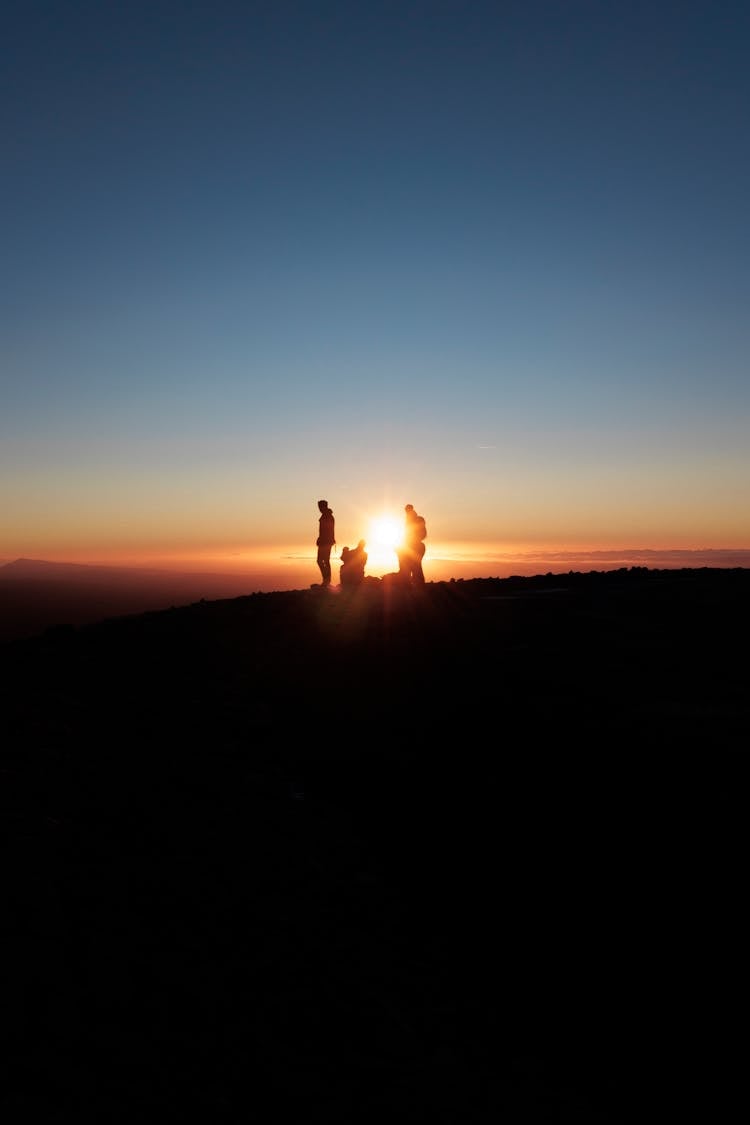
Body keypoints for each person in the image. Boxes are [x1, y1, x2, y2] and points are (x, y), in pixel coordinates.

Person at [397, 503, 427, 585]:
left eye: (407, 510)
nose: (406, 512)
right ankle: (416, 583)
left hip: (414, 546)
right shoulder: (412, 519)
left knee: (414, 566)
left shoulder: (414, 520)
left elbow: (411, 534)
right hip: (414, 545)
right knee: (415, 566)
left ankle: (413, 583)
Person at [315, 499, 336, 586]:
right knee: (324, 560)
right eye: (319, 507)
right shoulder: (327, 515)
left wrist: (321, 539)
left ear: (324, 506)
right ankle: (326, 580)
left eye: (320, 507)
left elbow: (327, 530)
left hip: (325, 542)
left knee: (322, 560)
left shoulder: (327, 516)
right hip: (326, 541)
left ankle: (326, 580)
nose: (319, 509)